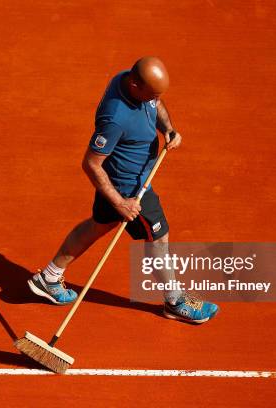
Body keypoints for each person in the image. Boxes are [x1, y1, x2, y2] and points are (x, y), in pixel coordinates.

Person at [28, 56, 218, 324]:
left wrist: (168, 129)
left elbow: (158, 104)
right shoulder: (115, 118)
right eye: (151, 94)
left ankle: (49, 276)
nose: (155, 99)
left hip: (128, 182)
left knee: (98, 225)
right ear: (135, 85)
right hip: (128, 188)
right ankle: (175, 301)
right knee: (159, 237)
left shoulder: (134, 83)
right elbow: (91, 164)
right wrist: (120, 202)